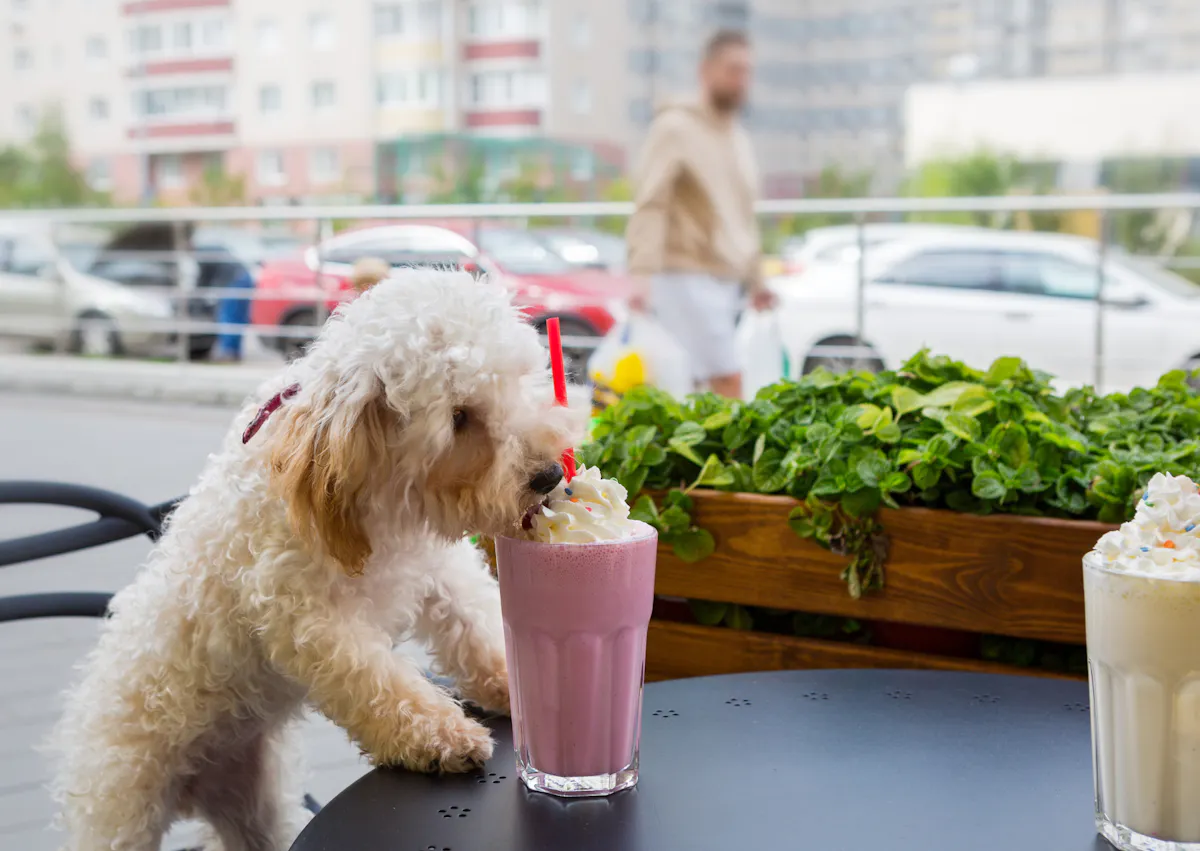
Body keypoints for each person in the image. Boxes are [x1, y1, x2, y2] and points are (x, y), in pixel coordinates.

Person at [625, 28, 775, 399]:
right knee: (728, 381)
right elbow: (651, 201)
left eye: (747, 71)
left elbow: (743, 215)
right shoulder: (674, 127)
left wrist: (756, 280)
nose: (741, 80)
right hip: (683, 275)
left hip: (727, 282)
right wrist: (641, 274)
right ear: (706, 70)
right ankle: (735, 459)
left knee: (692, 390)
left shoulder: (737, 137)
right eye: (733, 69)